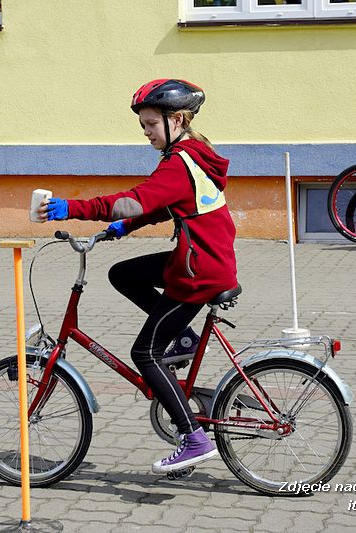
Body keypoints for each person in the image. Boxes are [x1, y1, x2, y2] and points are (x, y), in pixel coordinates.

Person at [38, 79, 238, 474]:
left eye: (150, 124)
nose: (145, 132)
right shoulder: (193, 155)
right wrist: (121, 229)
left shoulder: (179, 162)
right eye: (142, 125)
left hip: (198, 271)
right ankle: (184, 338)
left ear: (176, 120)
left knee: (145, 353)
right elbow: (164, 205)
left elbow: (134, 201)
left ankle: (194, 439)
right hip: (203, 259)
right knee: (124, 274)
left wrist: (70, 208)